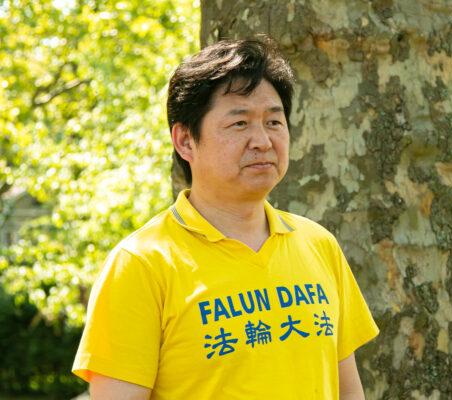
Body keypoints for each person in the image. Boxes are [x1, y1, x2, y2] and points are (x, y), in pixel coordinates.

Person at [72, 38, 379, 400]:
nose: (262, 140)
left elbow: (348, 392)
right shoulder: (141, 263)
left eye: (274, 122)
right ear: (185, 141)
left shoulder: (318, 244)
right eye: (239, 124)